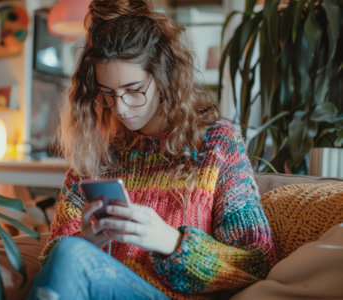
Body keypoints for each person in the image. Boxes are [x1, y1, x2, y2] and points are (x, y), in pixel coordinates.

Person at [27, 0, 276, 299]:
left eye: (133, 90)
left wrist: (171, 241)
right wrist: (87, 241)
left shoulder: (216, 145)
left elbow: (257, 262)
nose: (120, 108)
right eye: (107, 93)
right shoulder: (96, 153)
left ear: (163, 77)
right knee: (70, 252)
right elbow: (53, 259)